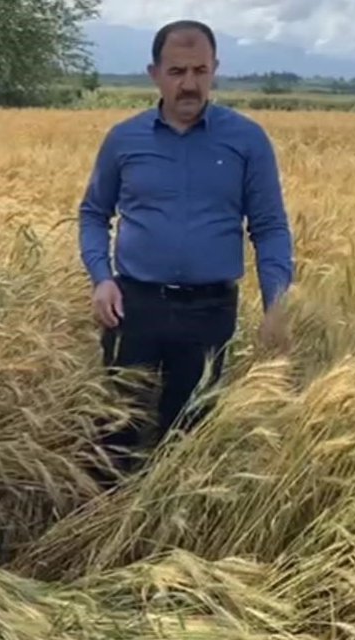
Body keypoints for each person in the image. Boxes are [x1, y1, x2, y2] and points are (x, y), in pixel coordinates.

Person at [77, 19, 294, 475]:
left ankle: (170, 519)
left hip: (209, 313)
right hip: (133, 307)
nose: (190, 84)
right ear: (154, 74)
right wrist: (101, 279)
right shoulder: (124, 139)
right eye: (177, 72)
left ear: (215, 69)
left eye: (200, 70)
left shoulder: (247, 140)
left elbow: (270, 227)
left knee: (188, 442)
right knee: (115, 435)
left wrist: (277, 302)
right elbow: (94, 213)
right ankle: (105, 516)